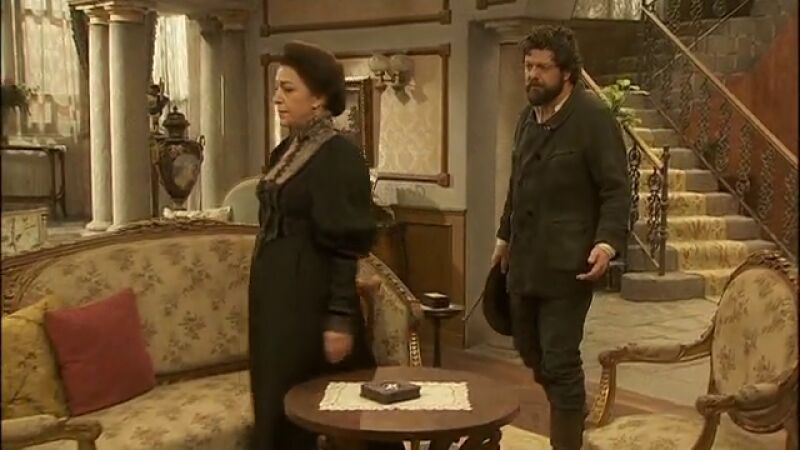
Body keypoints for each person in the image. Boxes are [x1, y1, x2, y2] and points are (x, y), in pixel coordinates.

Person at [248, 41, 401, 450]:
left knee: (323, 401)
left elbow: (345, 247)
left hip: (308, 297)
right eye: (276, 88)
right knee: (275, 398)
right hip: (274, 298)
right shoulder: (286, 149)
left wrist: (338, 318)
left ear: (318, 98)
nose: (277, 98)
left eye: (288, 89)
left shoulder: (340, 157)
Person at [491, 26, 629, 450]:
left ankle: (566, 438)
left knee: (560, 358)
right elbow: (516, 184)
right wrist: (503, 237)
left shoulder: (593, 118)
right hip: (524, 263)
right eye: (527, 65)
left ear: (567, 72)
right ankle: (571, 407)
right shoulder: (525, 119)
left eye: (542, 67)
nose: (531, 75)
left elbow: (616, 189)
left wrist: (606, 242)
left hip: (569, 266)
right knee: (530, 350)